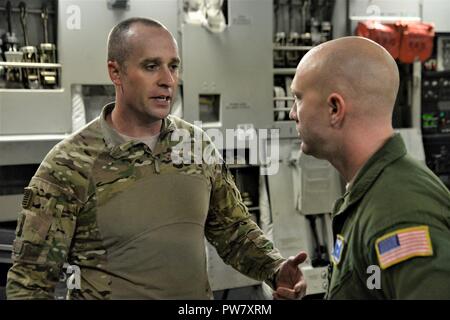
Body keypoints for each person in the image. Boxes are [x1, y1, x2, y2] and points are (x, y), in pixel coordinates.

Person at [6, 17, 307, 300]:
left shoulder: (195, 146)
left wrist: (276, 268)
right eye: (151, 66)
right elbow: (30, 282)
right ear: (116, 72)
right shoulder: (69, 165)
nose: (167, 80)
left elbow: (233, 230)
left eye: (173, 67)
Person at [289, 36, 450, 299]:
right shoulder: (374, 192)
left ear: (334, 108)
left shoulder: (399, 215)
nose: (292, 113)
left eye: (298, 98)